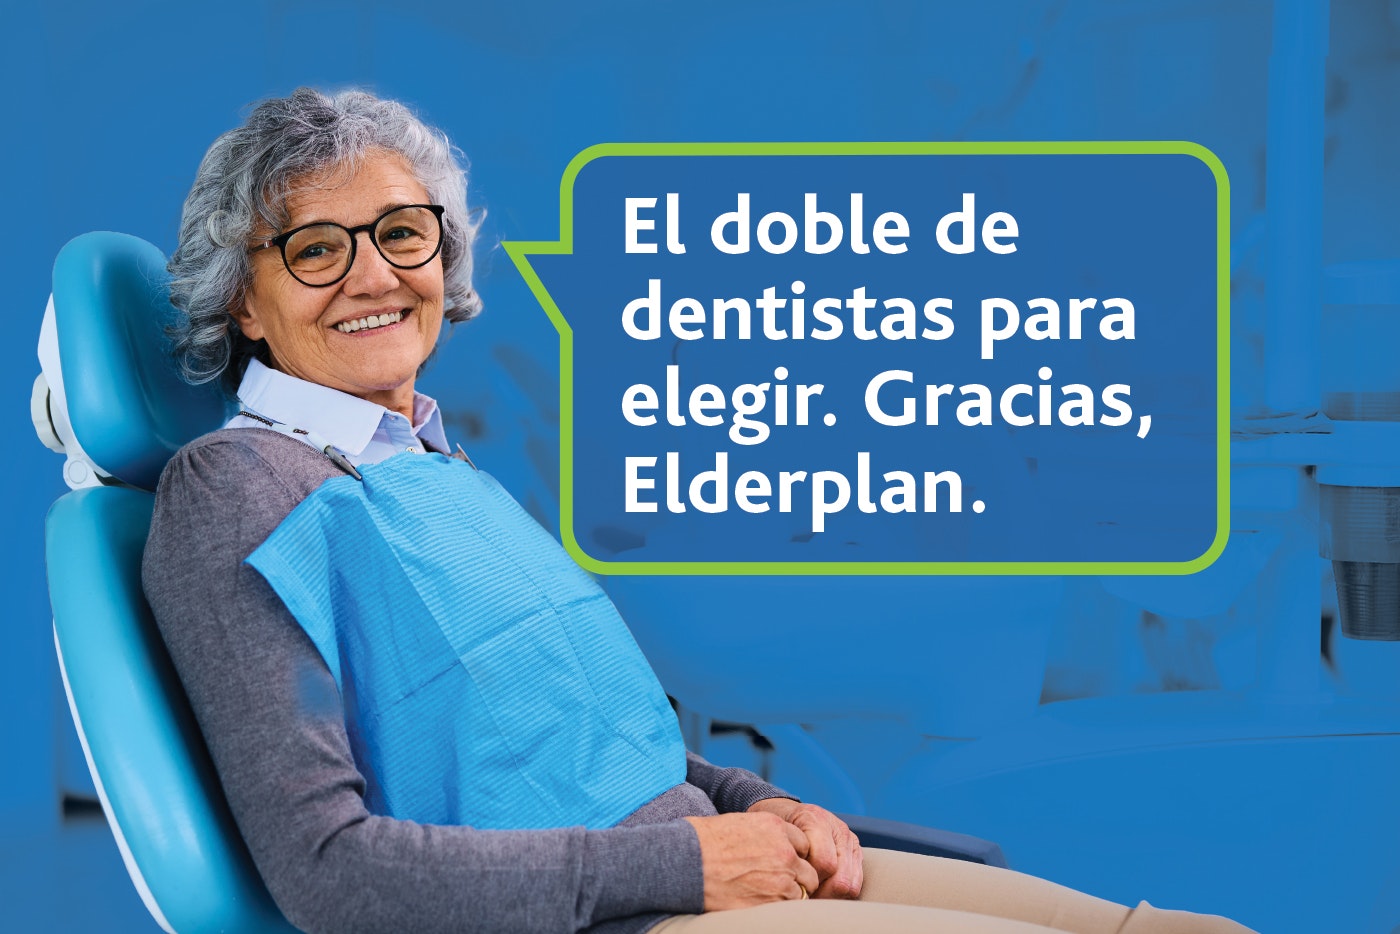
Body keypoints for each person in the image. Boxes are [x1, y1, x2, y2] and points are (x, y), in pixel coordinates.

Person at [142, 87, 1254, 934]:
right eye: (316, 249)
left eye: (401, 232)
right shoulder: (233, 488)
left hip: (705, 868)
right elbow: (330, 874)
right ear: (244, 300)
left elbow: (597, 742)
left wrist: (761, 803)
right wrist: (689, 864)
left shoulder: (430, 463)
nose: (375, 275)